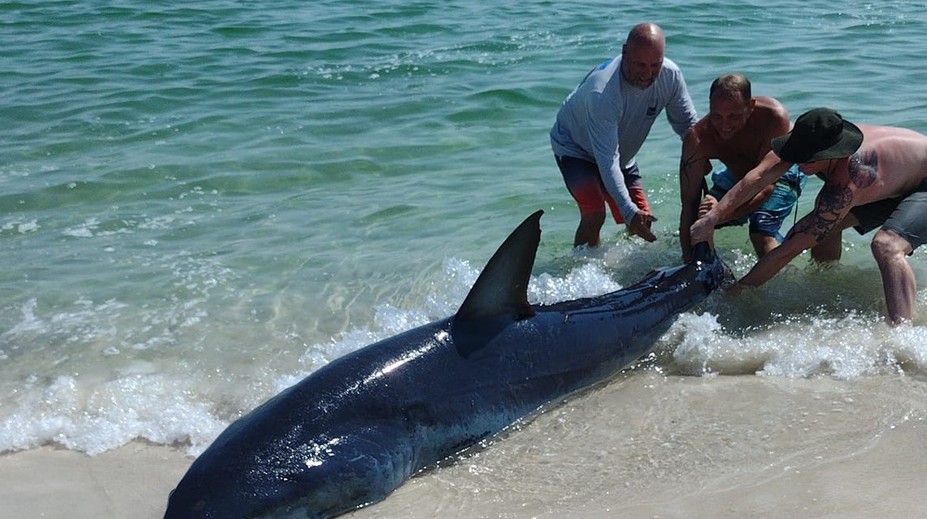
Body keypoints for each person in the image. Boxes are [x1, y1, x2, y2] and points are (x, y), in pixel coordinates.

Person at [708, 107, 927, 325]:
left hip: (920, 183)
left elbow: (789, 249)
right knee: (822, 227)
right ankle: (827, 281)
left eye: (809, 159)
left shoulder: (849, 178)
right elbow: (759, 176)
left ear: (832, 152)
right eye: (798, 156)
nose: (800, 163)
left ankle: (902, 337)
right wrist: (714, 216)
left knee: (886, 246)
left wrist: (737, 290)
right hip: (898, 179)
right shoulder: (807, 142)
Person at [551, 22, 697, 247]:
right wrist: (628, 213)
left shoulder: (670, 76)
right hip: (576, 148)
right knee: (595, 213)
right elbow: (607, 160)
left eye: (654, 65)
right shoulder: (602, 92)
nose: (647, 74)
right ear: (624, 51)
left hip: (622, 155)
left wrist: (702, 158)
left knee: (643, 220)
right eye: (639, 64)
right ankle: (582, 273)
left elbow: (688, 126)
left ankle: (629, 271)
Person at [678, 73, 806, 261]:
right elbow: (688, 205)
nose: (725, 125)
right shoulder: (697, 138)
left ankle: (781, 282)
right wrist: (689, 262)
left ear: (750, 107)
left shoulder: (773, 117)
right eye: (717, 116)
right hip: (735, 175)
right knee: (699, 218)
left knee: (760, 230)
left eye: (733, 116)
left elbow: (765, 188)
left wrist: (719, 215)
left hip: (779, 176)